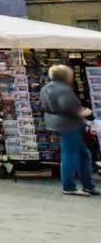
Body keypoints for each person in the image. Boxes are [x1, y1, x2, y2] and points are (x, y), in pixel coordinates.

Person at [42, 64, 96, 196]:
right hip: (68, 124)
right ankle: (70, 186)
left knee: (83, 154)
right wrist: (84, 113)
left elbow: (44, 105)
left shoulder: (46, 88)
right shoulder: (63, 89)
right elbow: (68, 108)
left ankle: (88, 185)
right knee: (71, 154)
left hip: (55, 123)